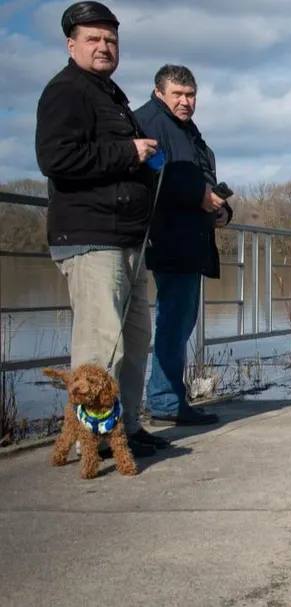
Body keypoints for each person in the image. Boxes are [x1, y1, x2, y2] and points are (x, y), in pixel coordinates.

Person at [35, 1, 168, 455]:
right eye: (92, 38)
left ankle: (124, 428)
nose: (104, 46)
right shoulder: (66, 91)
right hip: (91, 239)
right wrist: (129, 152)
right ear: (71, 45)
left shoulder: (111, 96)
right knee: (100, 348)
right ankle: (93, 441)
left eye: (110, 39)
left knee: (134, 341)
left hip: (126, 240)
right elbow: (56, 158)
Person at [134, 64, 231, 426]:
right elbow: (153, 179)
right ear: (159, 92)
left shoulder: (186, 130)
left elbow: (201, 179)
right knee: (173, 322)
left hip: (190, 238)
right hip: (168, 238)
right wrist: (199, 196)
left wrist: (221, 211)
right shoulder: (149, 123)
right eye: (178, 94)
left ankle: (168, 398)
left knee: (180, 321)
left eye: (191, 95)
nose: (186, 101)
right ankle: (165, 401)